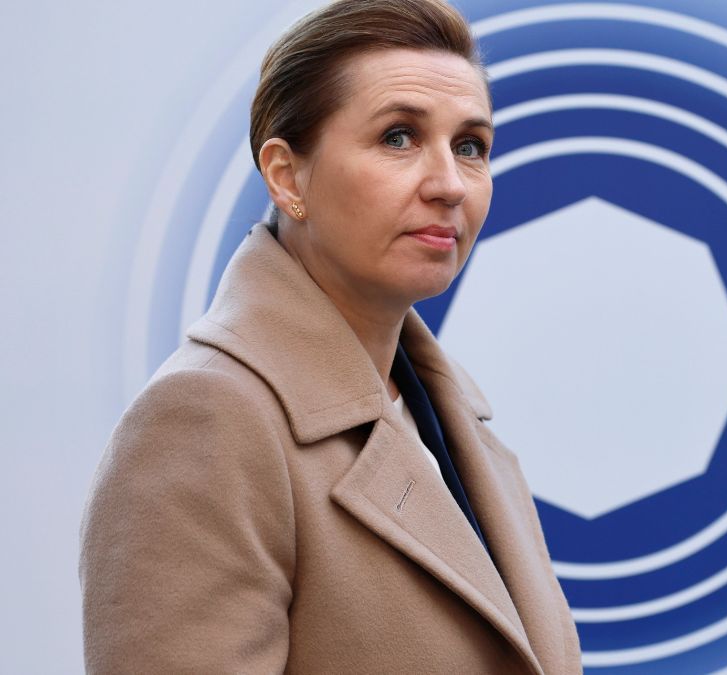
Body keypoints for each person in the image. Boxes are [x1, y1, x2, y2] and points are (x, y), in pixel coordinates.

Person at [78, 1, 582, 672]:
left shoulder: (456, 422)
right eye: (398, 137)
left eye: (471, 146)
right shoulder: (208, 419)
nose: (449, 184)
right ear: (287, 178)